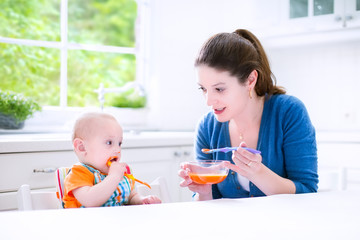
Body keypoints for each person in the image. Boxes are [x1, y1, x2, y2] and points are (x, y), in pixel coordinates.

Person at [179, 29, 318, 200]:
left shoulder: (288, 112)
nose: (208, 101)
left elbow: (308, 191)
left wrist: (258, 173)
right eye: (203, 89)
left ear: (250, 80)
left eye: (219, 89)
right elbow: (209, 207)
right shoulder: (207, 127)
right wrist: (203, 191)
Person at [63, 112, 161, 208]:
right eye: (109, 142)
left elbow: (130, 196)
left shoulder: (120, 173)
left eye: (119, 143)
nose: (117, 150)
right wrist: (114, 177)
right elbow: (90, 201)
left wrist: (141, 200)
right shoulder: (78, 173)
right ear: (82, 147)